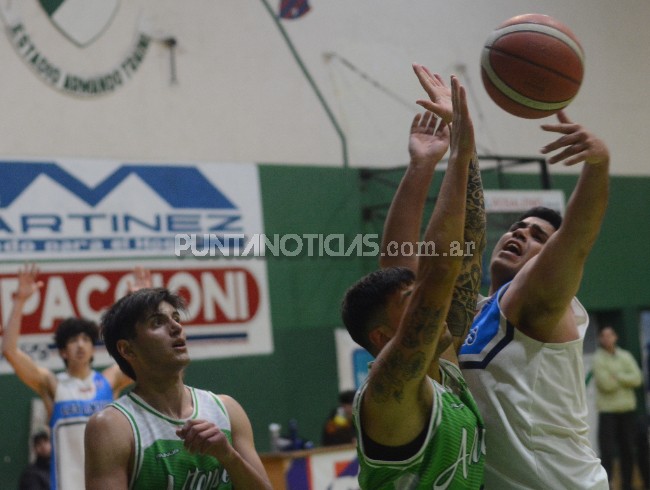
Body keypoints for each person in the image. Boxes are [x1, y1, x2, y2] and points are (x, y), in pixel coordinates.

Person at [385, 63, 611, 488]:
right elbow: (399, 275)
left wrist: (598, 166)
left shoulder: (536, 303)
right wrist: (421, 166)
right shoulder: (468, 311)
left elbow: (577, 241)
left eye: (538, 236)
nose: (521, 232)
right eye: (517, 227)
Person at [341, 72, 485, 489]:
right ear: (385, 336)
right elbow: (439, 269)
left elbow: (400, 266)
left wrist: (423, 165)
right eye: (415, 300)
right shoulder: (389, 391)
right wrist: (461, 153)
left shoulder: (439, 368)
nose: (429, 301)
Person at [84, 287, 272, 489]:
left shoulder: (227, 411)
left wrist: (229, 457)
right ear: (127, 349)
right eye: (157, 322)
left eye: (176, 318)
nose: (176, 327)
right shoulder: (112, 427)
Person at [0, 264, 133, 490]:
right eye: (73, 340)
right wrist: (20, 301)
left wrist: (137, 306)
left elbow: (141, 353)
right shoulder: (53, 384)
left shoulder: (109, 381)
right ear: (63, 351)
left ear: (93, 348)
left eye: (85, 339)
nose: (80, 344)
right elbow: (10, 352)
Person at [593, 325, 644, 489]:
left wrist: (617, 376)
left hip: (627, 411)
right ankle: (606, 485)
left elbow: (637, 379)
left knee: (628, 450)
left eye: (610, 335)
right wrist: (624, 378)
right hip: (607, 412)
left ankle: (627, 485)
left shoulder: (626, 356)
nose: (607, 338)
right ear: (601, 339)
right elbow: (606, 384)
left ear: (615, 337)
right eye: (604, 336)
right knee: (606, 452)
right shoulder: (597, 358)